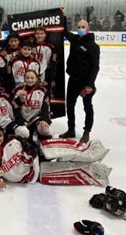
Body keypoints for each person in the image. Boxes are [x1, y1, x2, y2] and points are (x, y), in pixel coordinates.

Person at [60, 8, 100, 143]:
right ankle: (71, 129)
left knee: (87, 107)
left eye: (83, 27)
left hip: (86, 82)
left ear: (88, 28)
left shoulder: (93, 46)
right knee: (69, 106)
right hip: (73, 80)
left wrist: (89, 85)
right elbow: (64, 31)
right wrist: (63, 16)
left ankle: (86, 131)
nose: (80, 29)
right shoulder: (75, 39)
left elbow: (95, 67)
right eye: (79, 27)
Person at [12, 70, 52, 141]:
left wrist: (45, 120)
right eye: (27, 78)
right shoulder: (17, 90)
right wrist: (19, 100)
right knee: (24, 134)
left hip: (35, 119)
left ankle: (42, 144)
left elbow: (45, 108)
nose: (30, 80)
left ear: (36, 79)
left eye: (32, 78)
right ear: (24, 79)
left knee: (45, 130)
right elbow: (13, 108)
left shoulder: (43, 91)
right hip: (21, 120)